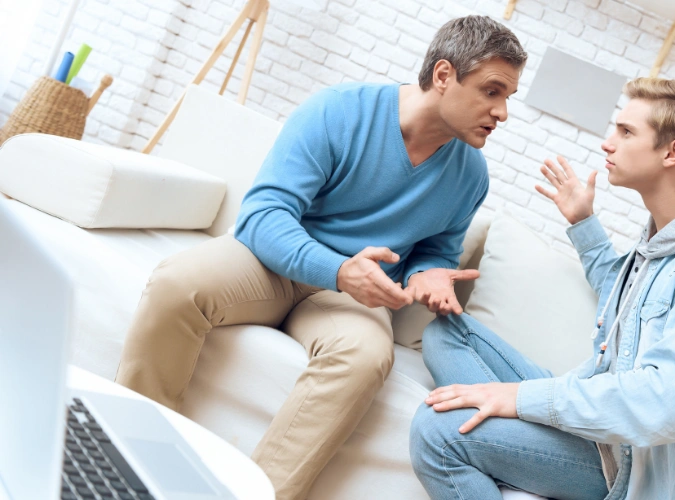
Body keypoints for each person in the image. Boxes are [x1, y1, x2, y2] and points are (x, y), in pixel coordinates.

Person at [114, 16, 526, 499]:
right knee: (176, 284)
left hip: (352, 297)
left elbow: (436, 248)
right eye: (492, 91)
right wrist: (336, 269)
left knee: (366, 358)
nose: (501, 113)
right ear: (443, 75)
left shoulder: (470, 174)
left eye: (507, 99)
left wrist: (428, 273)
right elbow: (264, 216)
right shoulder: (339, 111)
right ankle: (132, 460)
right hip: (273, 264)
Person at [409, 77, 675, 500]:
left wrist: (522, 398)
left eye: (626, 131)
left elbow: (666, 405)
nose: (607, 143)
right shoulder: (665, 239)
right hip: (595, 422)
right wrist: (582, 222)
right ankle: (508, 437)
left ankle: (503, 438)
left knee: (438, 432)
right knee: (446, 330)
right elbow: (625, 300)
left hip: (626, 465)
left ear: (673, 153)